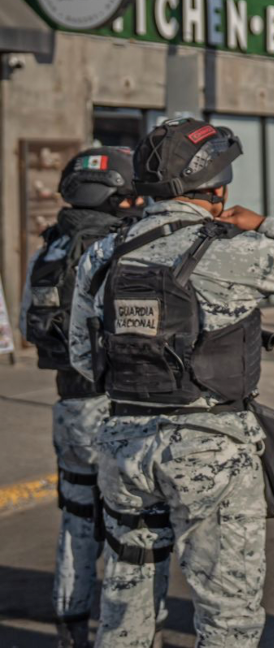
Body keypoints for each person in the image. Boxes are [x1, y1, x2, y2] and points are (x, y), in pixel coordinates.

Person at [67, 118, 274, 648]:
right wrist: (267, 226)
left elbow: (81, 357)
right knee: (226, 615)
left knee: (126, 602)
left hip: (123, 446)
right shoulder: (232, 249)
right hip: (210, 447)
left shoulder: (103, 254)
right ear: (216, 186)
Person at [19, 147, 141, 648]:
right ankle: (125, 631)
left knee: (74, 517)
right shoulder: (118, 247)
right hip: (114, 406)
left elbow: (32, 324)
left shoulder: (48, 246)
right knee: (127, 528)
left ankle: (70, 622)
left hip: (68, 405)